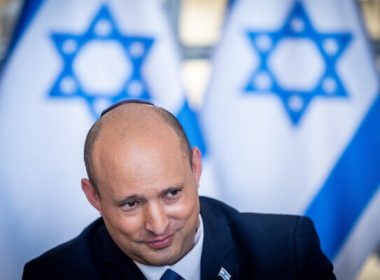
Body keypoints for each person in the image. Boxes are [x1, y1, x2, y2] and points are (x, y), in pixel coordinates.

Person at [23, 100, 335, 280]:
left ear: (195, 169)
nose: (158, 225)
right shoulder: (54, 276)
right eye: (131, 204)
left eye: (171, 193)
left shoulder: (287, 252)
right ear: (94, 197)